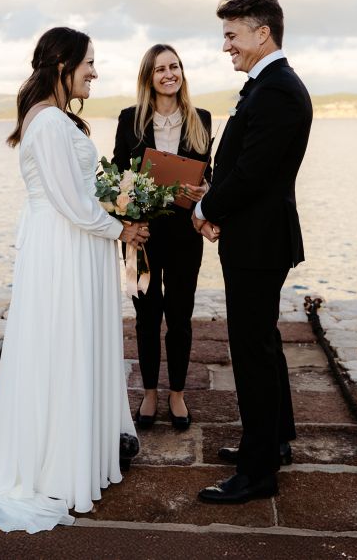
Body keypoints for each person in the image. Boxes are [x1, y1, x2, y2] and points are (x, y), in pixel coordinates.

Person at [0, 27, 148, 533]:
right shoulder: (50, 123)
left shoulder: (51, 118)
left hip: (65, 243)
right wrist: (120, 228)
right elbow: (70, 201)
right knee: (64, 344)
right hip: (64, 249)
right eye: (89, 63)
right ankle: (60, 462)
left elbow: (75, 194)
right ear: (63, 66)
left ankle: (78, 448)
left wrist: (112, 208)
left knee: (65, 345)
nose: (95, 72)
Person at [192, 0, 312, 504]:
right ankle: (272, 441)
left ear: (263, 33)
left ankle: (258, 473)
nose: (226, 46)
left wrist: (205, 208)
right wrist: (215, 197)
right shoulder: (268, 86)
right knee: (262, 340)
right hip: (257, 235)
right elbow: (246, 167)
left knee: (251, 350)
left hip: (259, 241)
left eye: (232, 35)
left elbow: (252, 173)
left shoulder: (277, 90)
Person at [112, 44, 212, 431]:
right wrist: (127, 214)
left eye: (174, 67)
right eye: (160, 69)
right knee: (146, 317)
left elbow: (209, 175)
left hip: (186, 235)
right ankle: (151, 392)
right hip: (141, 236)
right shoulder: (129, 119)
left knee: (180, 316)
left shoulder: (201, 119)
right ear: (148, 78)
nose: (169, 74)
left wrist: (206, 190)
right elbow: (118, 174)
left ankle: (178, 393)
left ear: (182, 72)